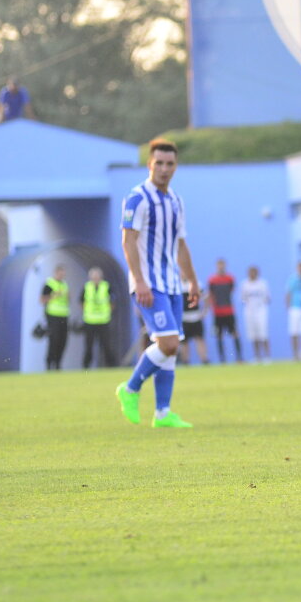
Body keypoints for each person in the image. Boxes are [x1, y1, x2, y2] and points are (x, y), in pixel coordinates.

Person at [115, 138, 199, 428]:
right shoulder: (137, 197)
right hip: (149, 284)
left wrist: (193, 282)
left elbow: (181, 245)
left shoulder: (176, 200)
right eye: (159, 163)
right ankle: (129, 389)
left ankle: (163, 413)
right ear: (150, 164)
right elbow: (128, 240)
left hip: (174, 284)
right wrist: (139, 281)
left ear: (176, 166)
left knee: (170, 349)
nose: (164, 169)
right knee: (168, 343)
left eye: (169, 164)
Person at [207, 258, 243, 363]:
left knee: (235, 333)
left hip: (229, 311)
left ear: (225, 266)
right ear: (216, 266)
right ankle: (222, 359)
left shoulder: (230, 279)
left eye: (222, 265)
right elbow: (211, 294)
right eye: (219, 265)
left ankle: (239, 357)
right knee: (219, 335)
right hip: (217, 312)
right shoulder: (212, 280)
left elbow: (232, 291)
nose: (221, 267)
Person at [80, 266, 115, 368]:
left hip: (104, 320)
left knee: (106, 345)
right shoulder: (87, 287)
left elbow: (113, 302)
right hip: (89, 320)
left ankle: (110, 366)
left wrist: (107, 311)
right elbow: (81, 302)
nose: (95, 278)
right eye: (93, 276)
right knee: (88, 346)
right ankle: (86, 367)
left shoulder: (106, 286)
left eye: (97, 276)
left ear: (101, 277)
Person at [40, 263, 70, 371]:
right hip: (52, 316)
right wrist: (53, 295)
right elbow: (42, 300)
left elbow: (67, 300)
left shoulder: (65, 285)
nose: (62, 276)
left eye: (63, 274)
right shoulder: (49, 284)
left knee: (63, 341)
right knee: (53, 341)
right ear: (56, 273)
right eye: (60, 274)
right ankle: (49, 364)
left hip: (64, 316)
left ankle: (58, 364)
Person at [240, 265, 272, 362]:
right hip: (249, 312)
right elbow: (243, 299)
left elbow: (268, 298)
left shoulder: (262, 284)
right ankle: (257, 356)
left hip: (261, 311)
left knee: (263, 333)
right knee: (253, 334)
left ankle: (267, 356)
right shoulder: (244, 284)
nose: (252, 274)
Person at [178, 296, 208, 365]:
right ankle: (185, 361)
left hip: (196, 318)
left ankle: (204, 360)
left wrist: (204, 311)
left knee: (199, 339)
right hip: (184, 319)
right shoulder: (178, 287)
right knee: (184, 342)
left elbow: (206, 297)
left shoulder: (197, 286)